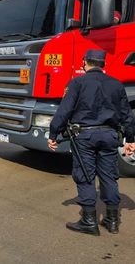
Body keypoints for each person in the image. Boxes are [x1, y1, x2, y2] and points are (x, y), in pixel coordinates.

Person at [48, 49, 135, 236]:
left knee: (85, 175)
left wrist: (53, 133)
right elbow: (127, 114)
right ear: (103, 64)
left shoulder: (77, 83)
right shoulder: (116, 84)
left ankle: (89, 222)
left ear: (85, 62)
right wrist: (131, 140)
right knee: (109, 176)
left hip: (84, 136)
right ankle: (112, 222)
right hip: (110, 135)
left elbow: (64, 111)